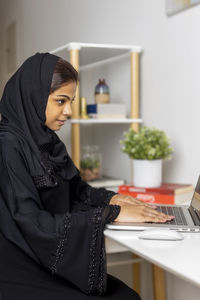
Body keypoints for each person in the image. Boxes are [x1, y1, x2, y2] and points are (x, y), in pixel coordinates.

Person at [0, 53, 173, 300]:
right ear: (33, 97)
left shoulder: (47, 141)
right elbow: (31, 221)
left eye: (70, 101)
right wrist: (110, 215)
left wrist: (114, 200)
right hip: (21, 265)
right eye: (60, 101)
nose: (69, 111)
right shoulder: (7, 145)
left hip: (40, 258)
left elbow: (77, 190)